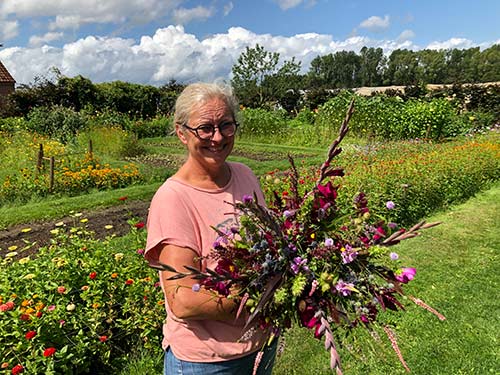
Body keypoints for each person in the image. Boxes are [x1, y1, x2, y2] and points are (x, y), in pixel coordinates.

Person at [145, 82, 277, 374]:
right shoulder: (173, 199)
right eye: (205, 128)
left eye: (226, 125)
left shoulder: (244, 175)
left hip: (259, 346)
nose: (217, 137)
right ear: (181, 133)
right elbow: (184, 300)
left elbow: (269, 245)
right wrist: (266, 299)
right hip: (207, 361)